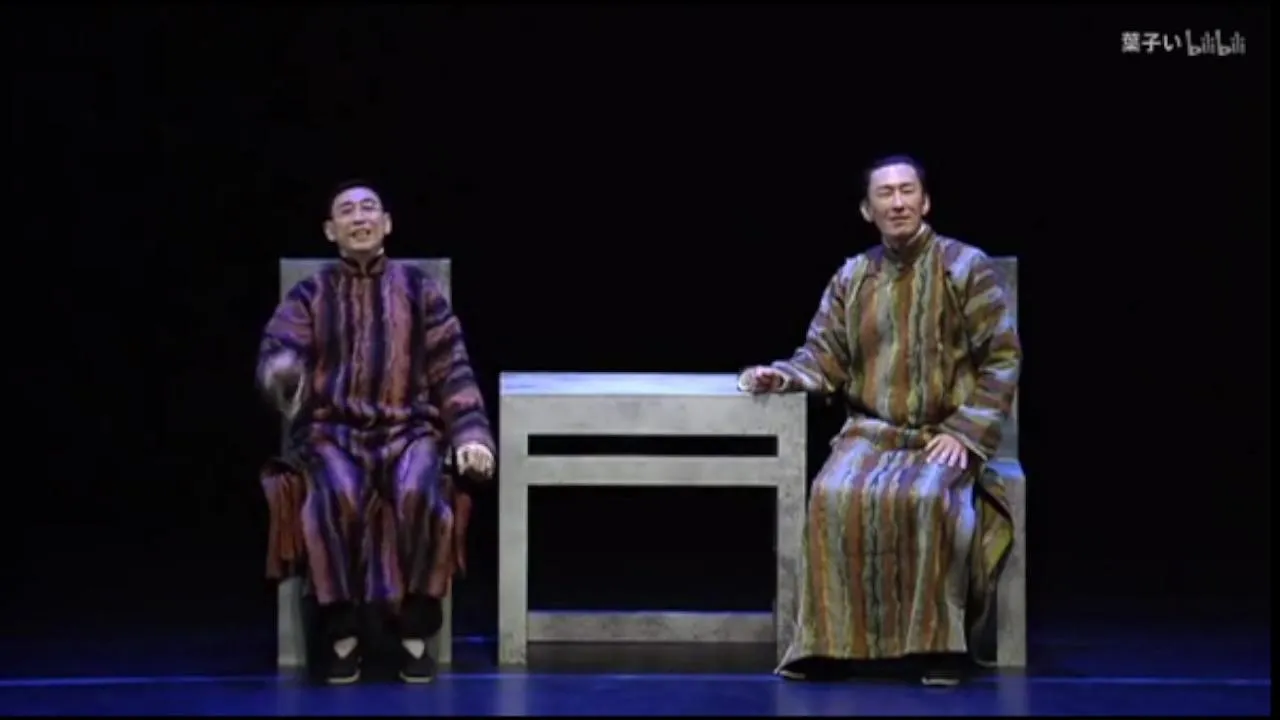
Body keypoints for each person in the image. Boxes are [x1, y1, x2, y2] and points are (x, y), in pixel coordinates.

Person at [739, 156, 1020, 686]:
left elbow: (1003, 357)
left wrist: (967, 432)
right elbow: (825, 355)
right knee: (830, 495)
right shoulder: (854, 276)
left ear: (925, 201)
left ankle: (939, 646)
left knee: (929, 499)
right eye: (885, 194)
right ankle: (827, 645)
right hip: (873, 431)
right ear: (867, 211)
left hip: (944, 431)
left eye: (907, 191)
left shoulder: (965, 267)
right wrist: (783, 376)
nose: (898, 203)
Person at [257, 180, 496, 685]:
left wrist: (471, 436)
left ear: (387, 224)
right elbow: (280, 351)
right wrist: (282, 372)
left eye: (370, 209)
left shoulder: (419, 291)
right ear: (331, 230)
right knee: (335, 495)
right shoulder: (310, 295)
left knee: (419, 492)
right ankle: (341, 633)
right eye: (347, 211)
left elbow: (452, 367)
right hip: (332, 432)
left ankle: (415, 632)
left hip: (410, 429)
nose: (360, 217)